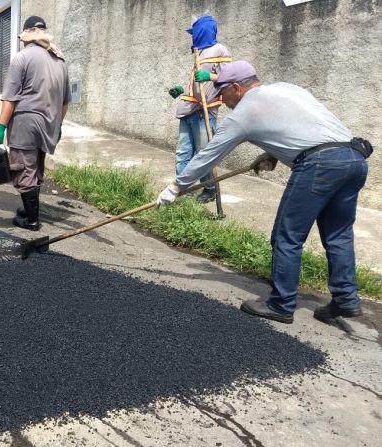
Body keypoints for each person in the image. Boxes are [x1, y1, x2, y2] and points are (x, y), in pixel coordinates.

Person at [157, 61, 372, 325]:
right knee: (338, 234)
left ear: (236, 88)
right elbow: (305, 126)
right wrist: (273, 154)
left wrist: (177, 186)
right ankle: (347, 299)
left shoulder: (244, 112)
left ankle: (281, 305)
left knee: (287, 236)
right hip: (354, 158)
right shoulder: (286, 89)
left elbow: (209, 155)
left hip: (319, 165)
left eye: (223, 94)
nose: (222, 102)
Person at [0, 16, 71, 231]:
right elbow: (65, 102)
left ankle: (32, 220)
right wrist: (58, 126)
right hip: (49, 125)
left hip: (26, 122)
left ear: (26, 35)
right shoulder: (59, 59)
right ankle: (28, 208)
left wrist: (0, 127)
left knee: (23, 168)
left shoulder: (22, 57)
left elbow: (10, 98)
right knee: (36, 167)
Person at [168, 15, 232, 204]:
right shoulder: (198, 52)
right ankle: (182, 191)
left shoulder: (219, 49)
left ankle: (210, 188)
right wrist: (182, 89)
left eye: (194, 32)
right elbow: (195, 85)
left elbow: (229, 76)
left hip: (205, 110)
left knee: (203, 154)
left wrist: (210, 76)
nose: (192, 36)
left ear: (202, 31)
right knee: (183, 153)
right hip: (188, 110)